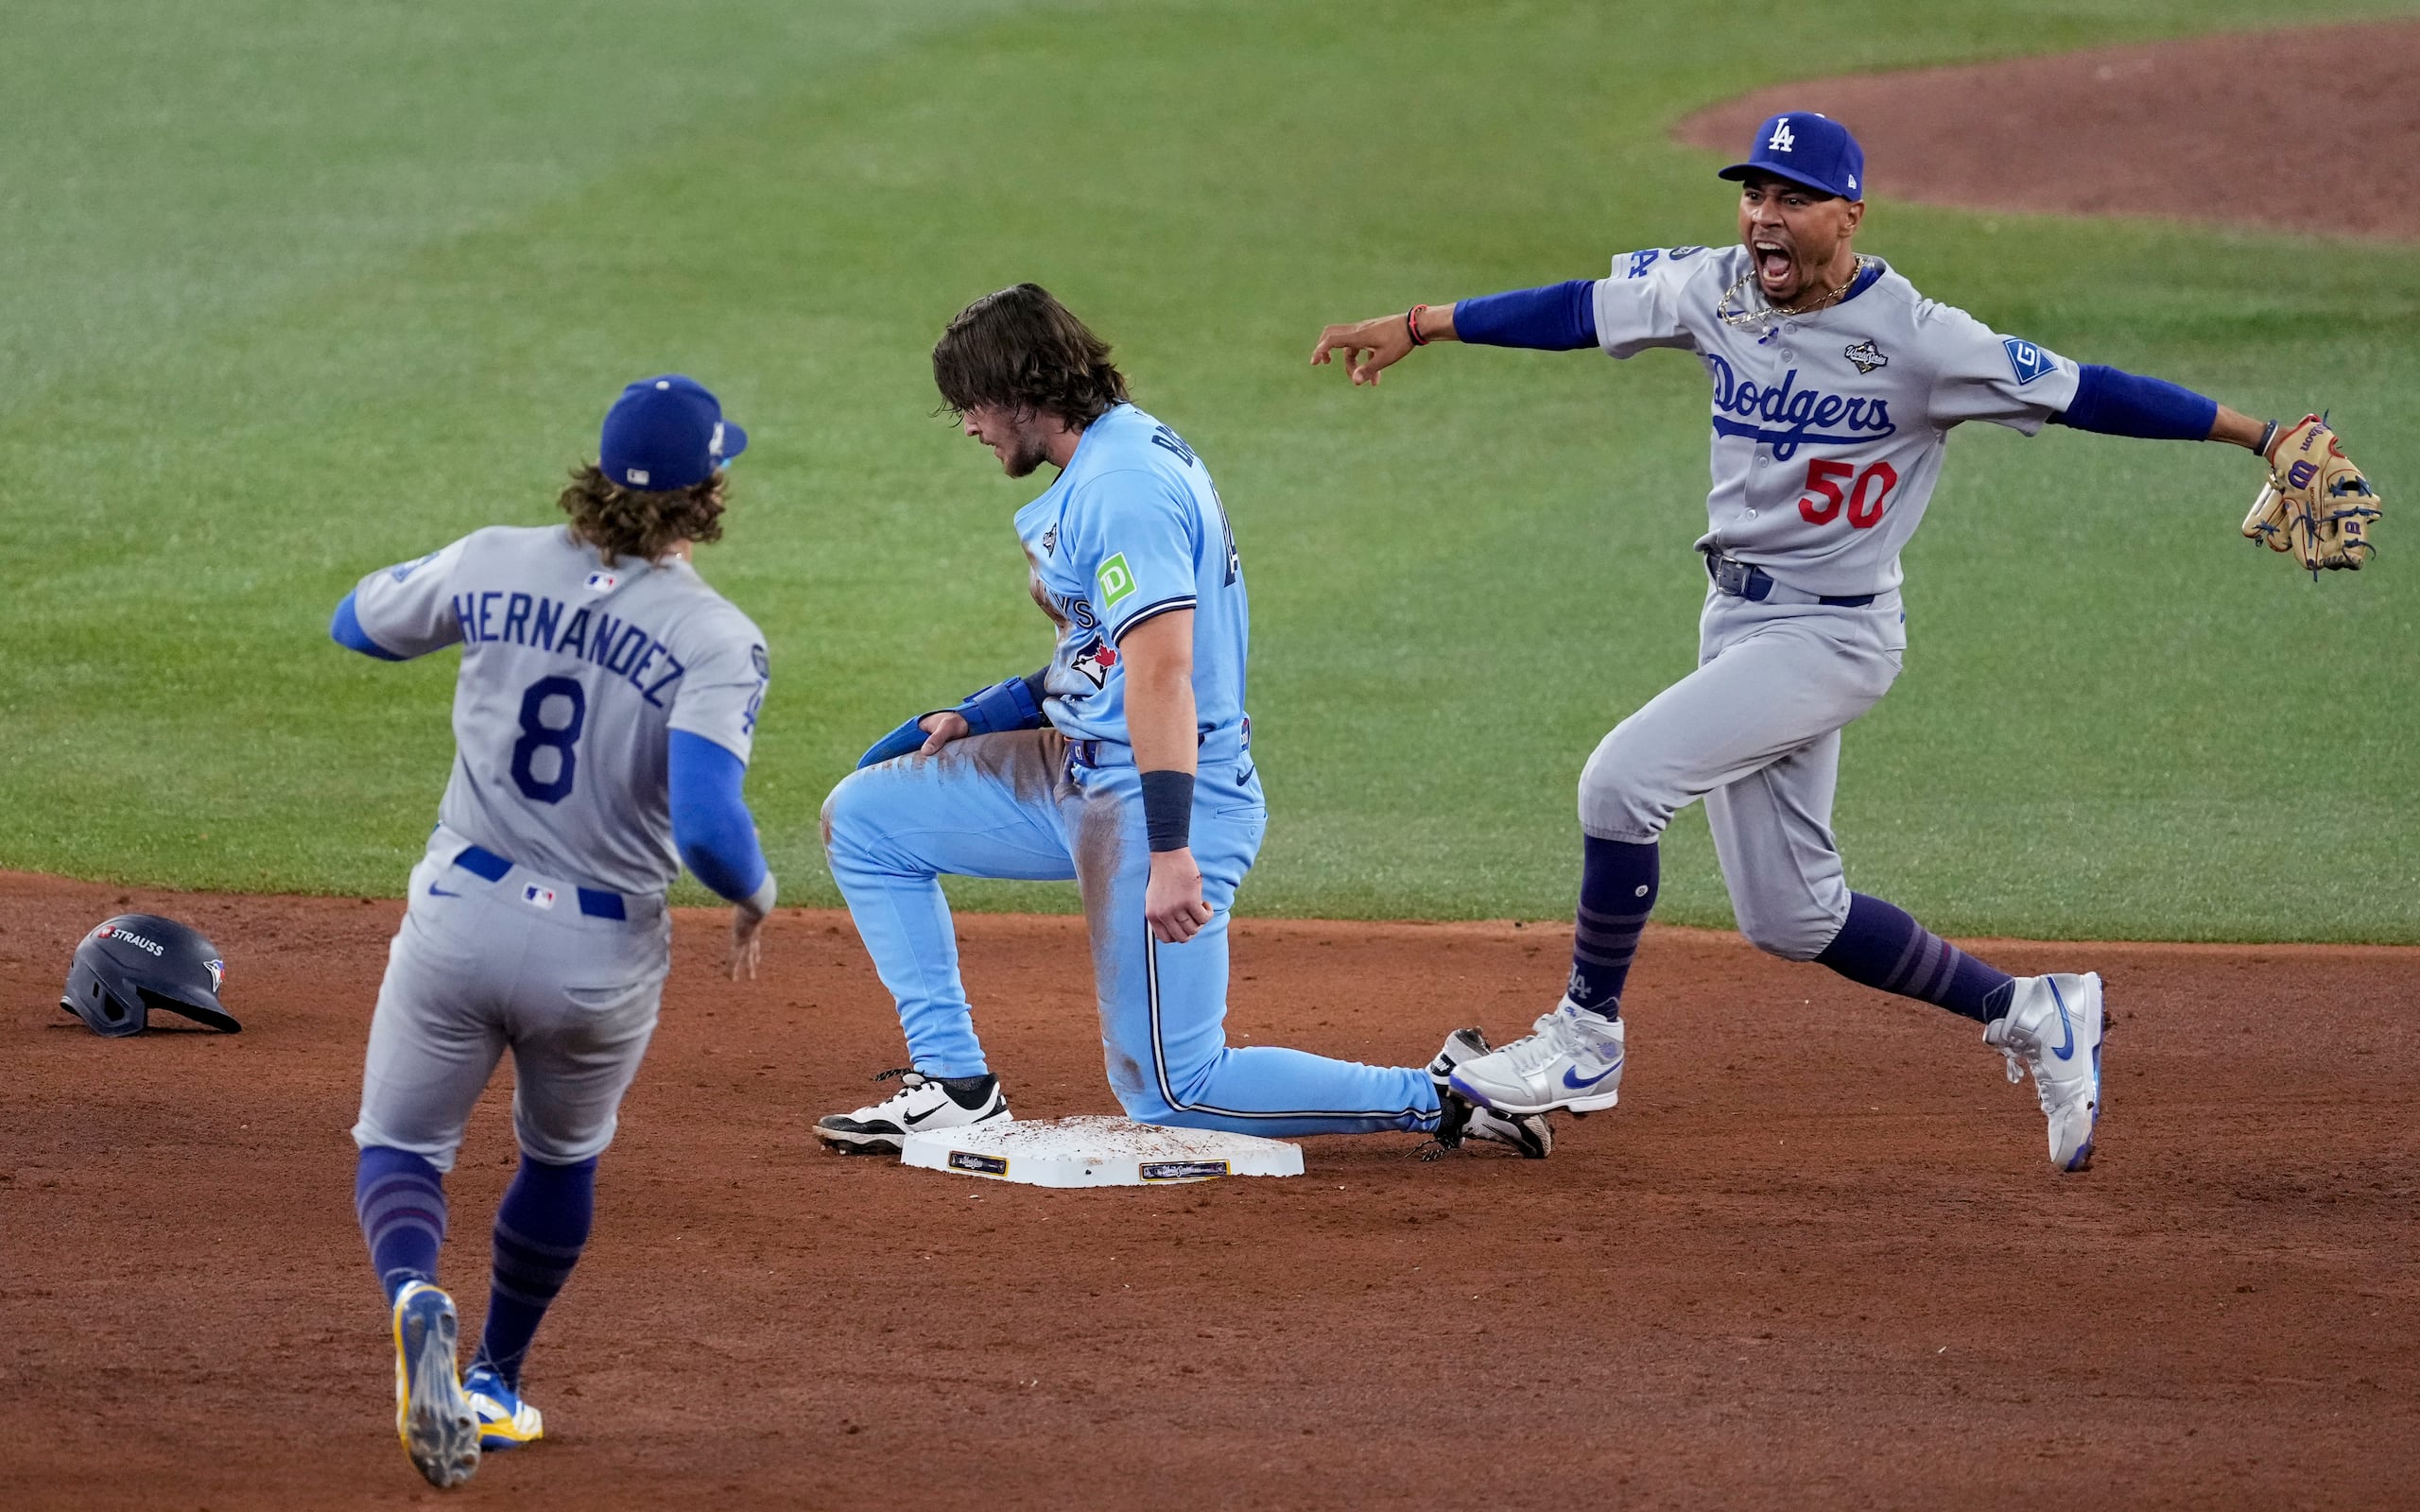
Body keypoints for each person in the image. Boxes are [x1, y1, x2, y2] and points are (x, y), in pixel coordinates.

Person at [1309, 112, 2378, 1172]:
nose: (1763, 219)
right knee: (1791, 916)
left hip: (1830, 635)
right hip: (1737, 620)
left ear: (1849, 215)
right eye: (1753, 195)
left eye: (1793, 199)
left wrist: (2260, 435)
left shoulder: (1922, 339)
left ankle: (1585, 1038)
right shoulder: (1715, 287)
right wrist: (1421, 322)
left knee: (1620, 785)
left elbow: (2084, 388)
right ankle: (2033, 1011)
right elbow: (1578, 309)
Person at [815, 284, 1546, 1159]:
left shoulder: (1122, 488)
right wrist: (985, 713)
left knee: (1172, 1086)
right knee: (866, 820)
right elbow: (1108, 652)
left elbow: (1163, 676)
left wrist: (1169, 851)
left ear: (1020, 391)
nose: (969, 426)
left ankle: (1447, 1097)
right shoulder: (1108, 455)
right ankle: (955, 1085)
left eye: (972, 403)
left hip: (1158, 794)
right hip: (1077, 768)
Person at [330, 375, 776, 1487]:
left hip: (460, 914)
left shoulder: (493, 558)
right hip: (597, 955)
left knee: (402, 1146)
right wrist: (757, 893)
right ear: (707, 493)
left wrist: (486, 599)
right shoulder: (716, 637)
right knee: (560, 1155)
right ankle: (493, 1379)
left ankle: (412, 1291)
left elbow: (358, 625)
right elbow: (709, 829)